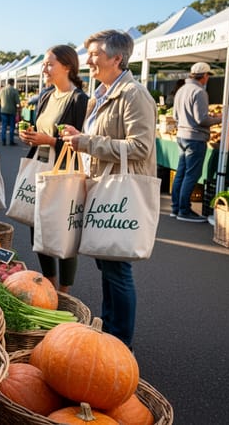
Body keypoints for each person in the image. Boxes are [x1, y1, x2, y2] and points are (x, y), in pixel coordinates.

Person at [61, 29, 156, 349]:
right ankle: (110, 329)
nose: (88, 60)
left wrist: (87, 142)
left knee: (117, 267)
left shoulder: (133, 94)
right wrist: (80, 135)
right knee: (107, 262)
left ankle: (120, 343)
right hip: (102, 185)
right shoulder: (101, 92)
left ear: (117, 58)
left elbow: (140, 147)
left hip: (119, 190)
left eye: (95, 54)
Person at [18, 45, 90, 294]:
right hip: (40, 166)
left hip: (64, 172)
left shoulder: (80, 99)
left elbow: (81, 141)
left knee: (62, 228)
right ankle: (48, 284)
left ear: (67, 66)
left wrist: (50, 141)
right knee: (36, 224)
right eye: (44, 64)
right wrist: (29, 136)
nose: (45, 68)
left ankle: (64, 291)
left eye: (50, 64)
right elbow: (43, 130)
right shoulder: (47, 95)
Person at [170, 62, 221, 223]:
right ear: (205, 76)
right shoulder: (199, 92)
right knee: (192, 174)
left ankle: (176, 207)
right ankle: (184, 210)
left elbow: (176, 116)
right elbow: (202, 120)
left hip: (181, 136)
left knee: (181, 172)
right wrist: (221, 118)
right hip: (195, 138)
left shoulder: (181, 90)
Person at [0, 79, 20, 145]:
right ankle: (11, 141)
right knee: (11, 126)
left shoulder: (2, 90)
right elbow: (18, 102)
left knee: (4, 126)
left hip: (3, 110)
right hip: (12, 110)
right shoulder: (14, 90)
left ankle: (3, 140)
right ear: (13, 83)